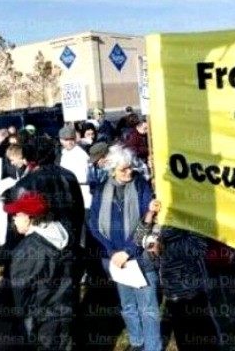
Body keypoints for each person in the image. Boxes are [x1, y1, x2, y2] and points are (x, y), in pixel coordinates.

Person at [88, 145, 161, 351]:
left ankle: (153, 347)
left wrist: (128, 251)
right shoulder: (101, 189)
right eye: (123, 169)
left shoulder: (140, 186)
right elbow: (94, 224)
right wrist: (113, 253)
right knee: (128, 306)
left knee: (148, 308)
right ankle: (137, 342)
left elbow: (146, 221)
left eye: (130, 167)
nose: (129, 172)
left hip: (140, 257)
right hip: (116, 261)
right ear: (112, 170)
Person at [135, 202, 222, 350]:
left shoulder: (186, 210)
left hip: (191, 291)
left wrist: (164, 247)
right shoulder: (157, 213)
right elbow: (138, 239)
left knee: (203, 340)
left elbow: (199, 246)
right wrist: (150, 214)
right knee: (184, 340)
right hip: (171, 292)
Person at [4, 191, 74, 350]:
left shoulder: (27, 250)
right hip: (64, 309)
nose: (13, 218)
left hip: (41, 320)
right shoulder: (62, 232)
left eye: (16, 214)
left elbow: (20, 295)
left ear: (28, 217)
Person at [58, 125, 90, 210]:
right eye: (66, 140)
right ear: (61, 140)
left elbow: (83, 177)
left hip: (82, 196)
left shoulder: (80, 154)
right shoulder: (64, 153)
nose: (69, 142)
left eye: (71, 139)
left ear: (75, 139)